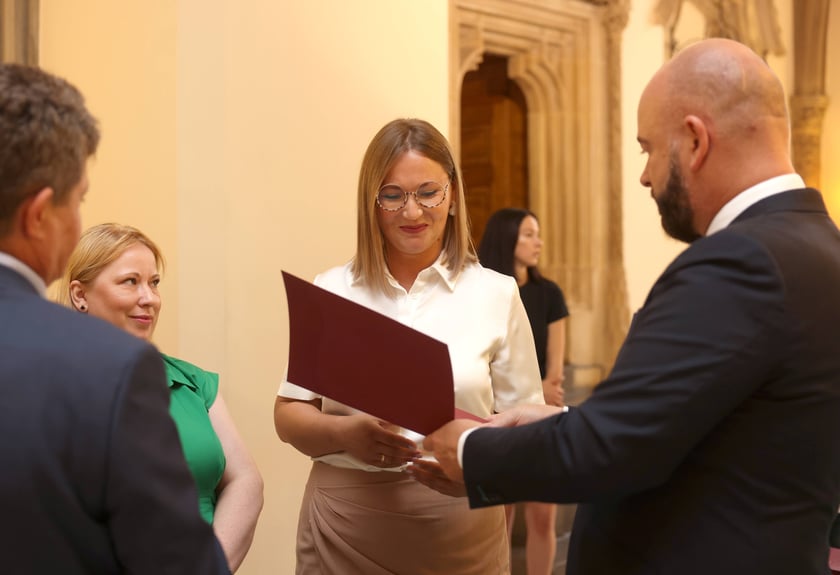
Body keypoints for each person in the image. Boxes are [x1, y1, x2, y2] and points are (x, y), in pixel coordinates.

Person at [424, 37, 840, 575]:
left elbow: (611, 449)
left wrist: (469, 452)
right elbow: (706, 421)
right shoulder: (820, 245)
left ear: (694, 140)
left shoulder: (742, 260)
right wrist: (567, 417)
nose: (644, 175)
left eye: (647, 148)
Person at [274, 118, 545, 574]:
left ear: (453, 194)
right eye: (393, 195)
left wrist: (477, 465)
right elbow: (289, 415)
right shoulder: (334, 288)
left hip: (460, 530)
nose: (412, 212)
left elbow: (529, 431)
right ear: (372, 202)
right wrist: (345, 435)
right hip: (345, 522)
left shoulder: (496, 294)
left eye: (427, 192)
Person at [0, 64, 230, 573]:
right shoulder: (114, 368)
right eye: (78, 199)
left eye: (154, 283)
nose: (147, 298)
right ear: (39, 216)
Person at [57, 223, 264, 573]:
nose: (149, 298)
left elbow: (246, 482)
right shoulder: (51, 385)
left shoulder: (193, 382)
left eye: (154, 283)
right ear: (80, 295)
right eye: (130, 281)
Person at [479, 207, 569, 575]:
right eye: (529, 234)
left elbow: (556, 365)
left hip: (539, 412)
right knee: (499, 517)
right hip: (496, 415)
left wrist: (544, 390)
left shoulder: (549, 294)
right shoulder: (487, 292)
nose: (539, 242)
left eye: (538, 234)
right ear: (507, 239)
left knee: (543, 517)